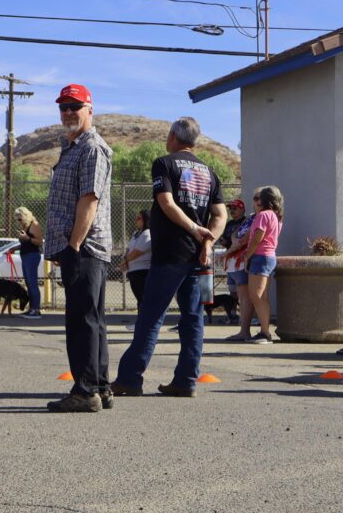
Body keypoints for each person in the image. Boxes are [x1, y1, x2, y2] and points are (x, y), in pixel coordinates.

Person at [111, 117, 226, 398]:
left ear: (173, 136)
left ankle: (130, 378)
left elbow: (166, 202)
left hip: (170, 254)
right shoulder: (210, 172)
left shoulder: (164, 163)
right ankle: (186, 380)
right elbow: (221, 214)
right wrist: (207, 240)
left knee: (151, 316)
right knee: (192, 318)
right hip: (198, 257)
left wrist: (195, 230)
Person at [43, 84, 114, 413]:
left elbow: (89, 199)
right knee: (92, 319)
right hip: (77, 246)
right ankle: (99, 386)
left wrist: (73, 245)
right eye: (64, 106)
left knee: (82, 320)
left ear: (90, 109)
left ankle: (86, 391)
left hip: (83, 247)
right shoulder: (71, 147)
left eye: (75, 106)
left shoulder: (91, 148)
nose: (68, 112)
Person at [240, 186, 283, 345]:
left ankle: (265, 333)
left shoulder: (263, 215)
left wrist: (247, 256)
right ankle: (265, 331)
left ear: (266, 199)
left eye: (259, 198)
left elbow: (257, 238)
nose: (256, 201)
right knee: (261, 297)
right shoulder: (275, 216)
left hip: (260, 256)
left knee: (256, 296)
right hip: (269, 256)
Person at [222, 204, 256, 341]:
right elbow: (229, 239)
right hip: (232, 261)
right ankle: (234, 317)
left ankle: (247, 326)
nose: (232, 211)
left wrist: (233, 244)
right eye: (231, 209)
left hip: (240, 260)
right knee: (234, 293)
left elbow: (240, 240)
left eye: (235, 208)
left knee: (246, 296)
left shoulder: (249, 220)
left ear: (242, 209)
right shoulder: (230, 223)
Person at [14, 205, 43, 318]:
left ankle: (36, 310)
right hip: (25, 256)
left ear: (25, 216)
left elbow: (39, 242)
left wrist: (27, 238)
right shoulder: (25, 226)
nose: (18, 221)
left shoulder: (33, 225)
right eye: (17, 219)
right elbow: (26, 242)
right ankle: (31, 308)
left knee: (32, 283)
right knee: (29, 283)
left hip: (32, 256)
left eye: (20, 219)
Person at [121, 209, 152, 311]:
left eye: (139, 218)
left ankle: (144, 323)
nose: (136, 220)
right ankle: (140, 323)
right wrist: (124, 259)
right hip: (133, 271)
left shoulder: (148, 233)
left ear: (145, 220)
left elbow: (138, 252)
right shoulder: (136, 233)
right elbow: (129, 249)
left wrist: (125, 260)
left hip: (142, 272)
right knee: (140, 299)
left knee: (144, 299)